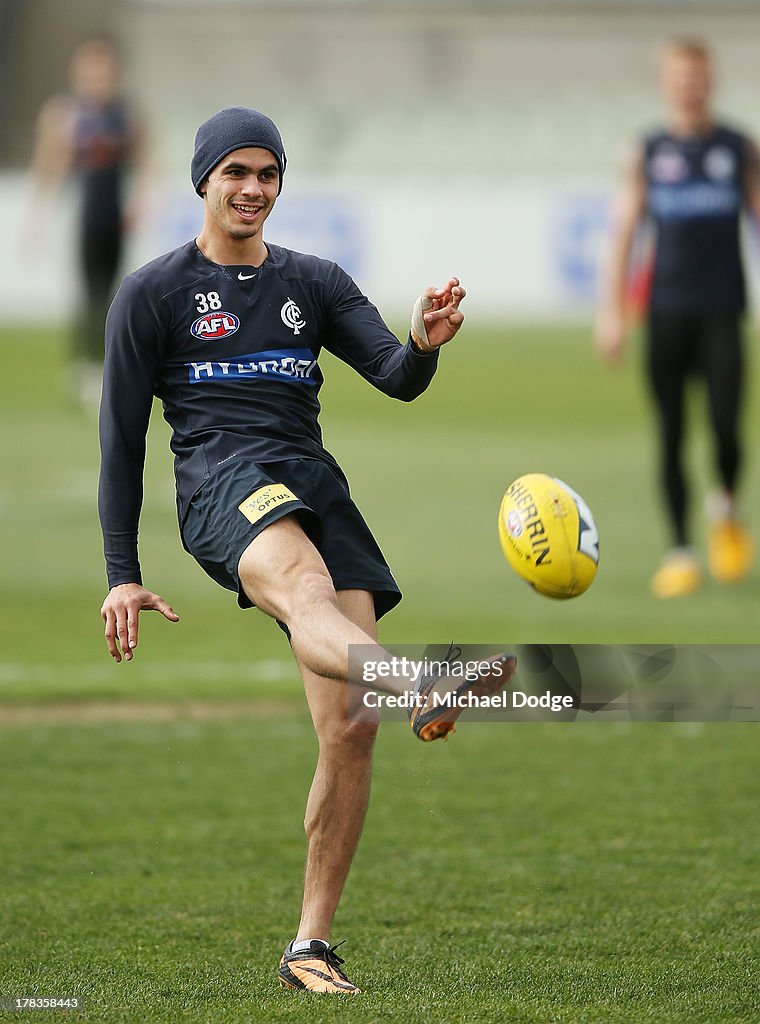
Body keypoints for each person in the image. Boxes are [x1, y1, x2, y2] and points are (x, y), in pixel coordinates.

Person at [98, 106, 514, 993]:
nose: (253, 189)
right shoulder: (153, 292)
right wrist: (121, 576)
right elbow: (120, 442)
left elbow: (397, 380)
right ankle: (418, 680)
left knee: (350, 729)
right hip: (222, 483)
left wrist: (422, 342)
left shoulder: (314, 280)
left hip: (316, 485)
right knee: (310, 593)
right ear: (203, 181)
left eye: (268, 174)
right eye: (236, 173)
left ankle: (309, 948)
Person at [595, 37, 760, 598]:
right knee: (669, 434)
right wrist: (612, 313)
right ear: (666, 83)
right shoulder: (647, 151)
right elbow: (622, 236)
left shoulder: (738, 147)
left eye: (698, 75)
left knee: (726, 431)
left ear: (709, 81)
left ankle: (727, 509)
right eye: (679, 76)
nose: (689, 84)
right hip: (665, 312)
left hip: (722, 310)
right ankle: (681, 551)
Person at [28, 35, 145, 407]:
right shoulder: (66, 113)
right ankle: (88, 366)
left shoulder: (125, 113)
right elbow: (51, 164)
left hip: (114, 216)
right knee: (88, 292)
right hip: (85, 214)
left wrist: (141, 203)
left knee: (113, 291)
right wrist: (39, 213)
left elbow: (143, 162)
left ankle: (103, 364)